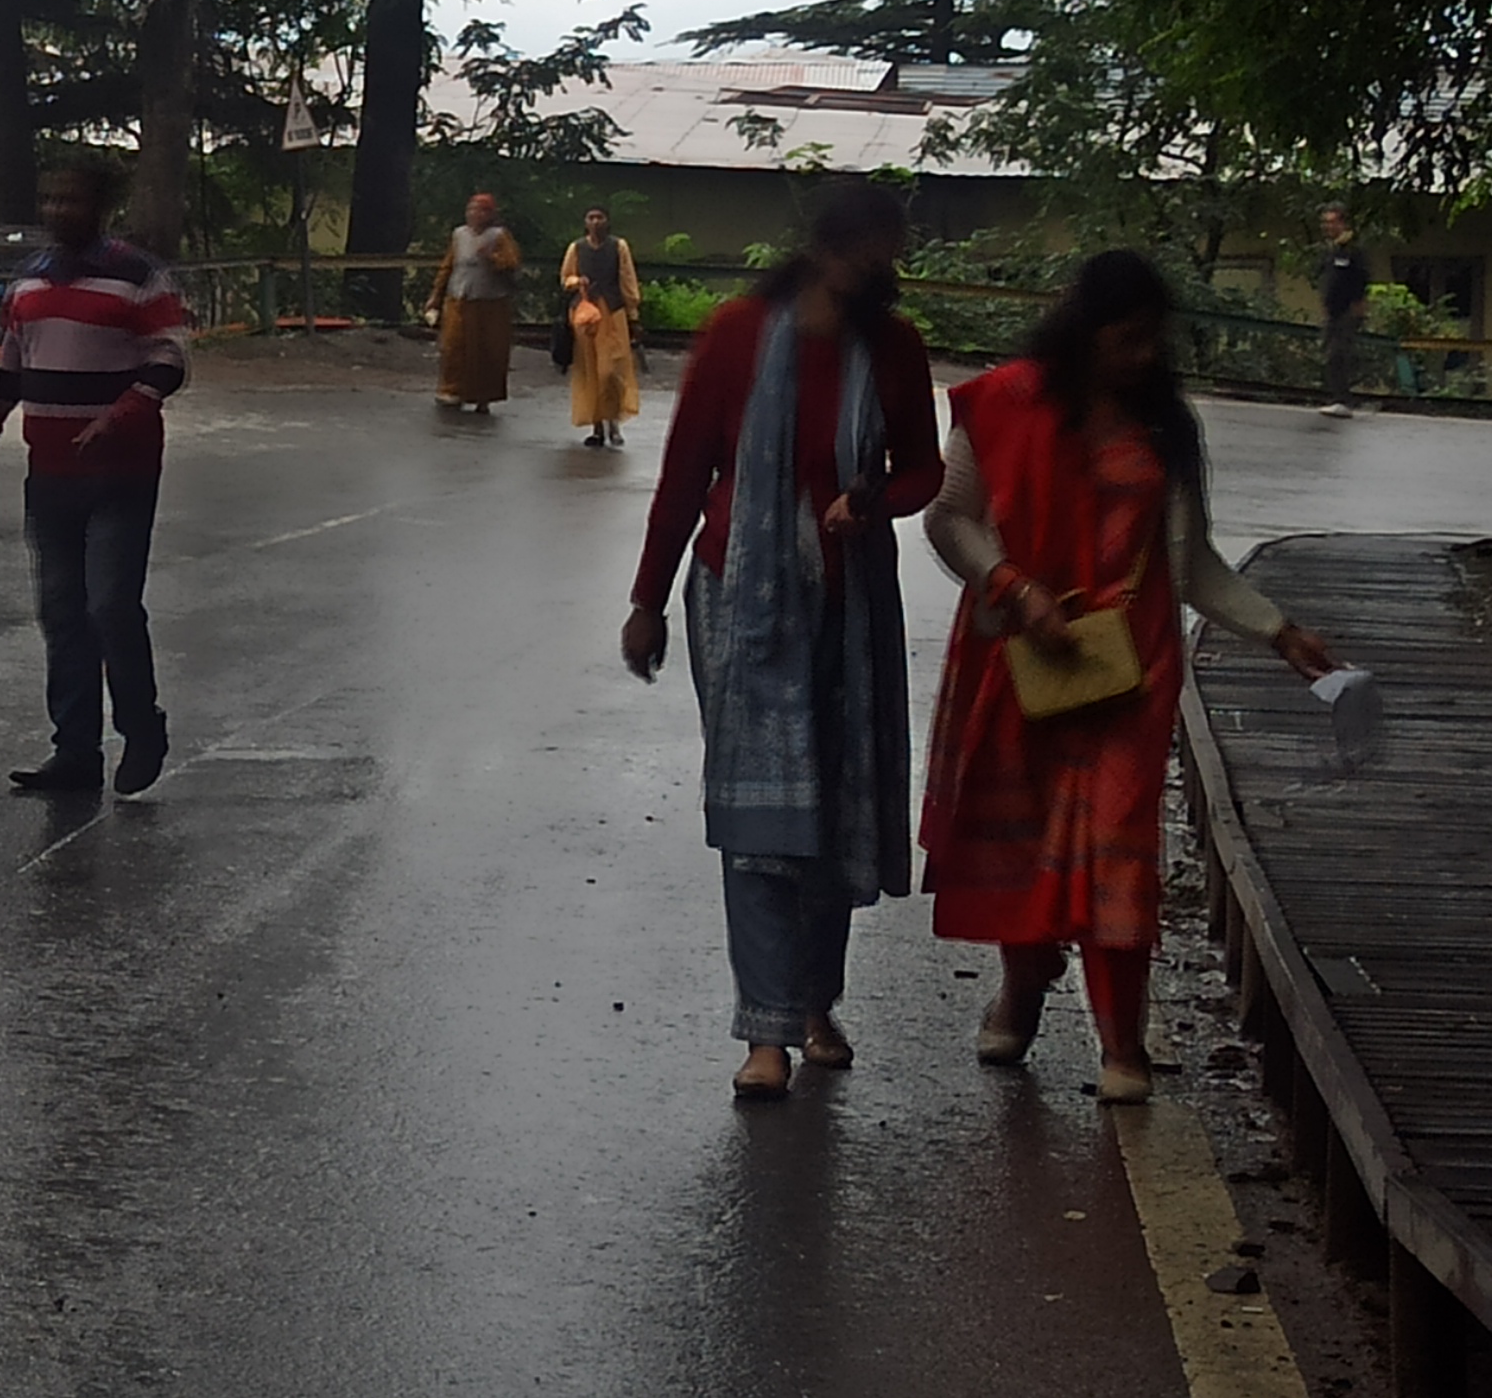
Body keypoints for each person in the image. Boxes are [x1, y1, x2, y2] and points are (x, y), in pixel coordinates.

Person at [923, 251, 1344, 1104]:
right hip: (1022, 664)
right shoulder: (1001, 404)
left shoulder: (1163, 428)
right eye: (1126, 340)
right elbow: (950, 519)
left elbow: (1192, 568)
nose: (1142, 357)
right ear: (1085, 332)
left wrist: (1280, 632)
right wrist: (1015, 588)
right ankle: (1023, 985)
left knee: (1118, 853)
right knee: (1032, 843)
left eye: (1152, 341)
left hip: (1129, 675)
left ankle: (1123, 1044)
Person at [620, 179, 943, 1100]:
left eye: (892, 256)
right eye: (870, 256)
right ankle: (763, 1033)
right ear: (830, 250)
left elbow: (921, 464)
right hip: (744, 600)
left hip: (849, 607)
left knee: (832, 815)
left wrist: (876, 496)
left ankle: (812, 1004)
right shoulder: (736, 335)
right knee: (764, 820)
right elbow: (686, 472)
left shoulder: (893, 347)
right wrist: (646, 599)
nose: (884, 273)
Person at [0, 161, 190, 796]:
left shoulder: (137, 276)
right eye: (52, 195)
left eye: (72, 196)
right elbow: (8, 362)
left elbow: (170, 356)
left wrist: (125, 414)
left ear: (101, 206)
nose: (59, 207)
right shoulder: (29, 281)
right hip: (50, 472)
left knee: (109, 606)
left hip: (121, 471)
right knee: (61, 613)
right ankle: (76, 751)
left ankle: (142, 728)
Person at [427, 191, 524, 411]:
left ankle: (483, 397)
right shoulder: (459, 235)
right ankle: (451, 391)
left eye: (480, 210)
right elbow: (448, 265)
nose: (474, 214)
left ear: (490, 214)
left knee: (486, 350)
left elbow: (512, 264)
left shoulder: (499, 236)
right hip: (459, 297)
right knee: (454, 346)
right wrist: (436, 295)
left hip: (490, 304)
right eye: (471, 209)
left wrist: (492, 258)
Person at [562, 206, 644, 451]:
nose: (595, 222)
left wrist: (633, 314)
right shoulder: (576, 248)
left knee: (611, 371)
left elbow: (627, 280)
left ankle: (614, 422)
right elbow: (566, 278)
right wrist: (577, 282)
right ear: (585, 222)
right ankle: (596, 426)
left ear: (608, 221)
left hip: (613, 313)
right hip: (586, 317)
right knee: (589, 371)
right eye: (591, 217)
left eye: (600, 217)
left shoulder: (618, 247)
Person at [1314, 205, 1373, 414]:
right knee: (1329, 353)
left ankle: (1343, 400)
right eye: (1325, 222)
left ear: (1342, 223)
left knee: (1338, 354)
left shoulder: (1352, 249)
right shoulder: (1333, 249)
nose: (1327, 226)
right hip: (1333, 310)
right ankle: (1336, 396)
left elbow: (1361, 277)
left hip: (1347, 310)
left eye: (1331, 222)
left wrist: (1358, 303)